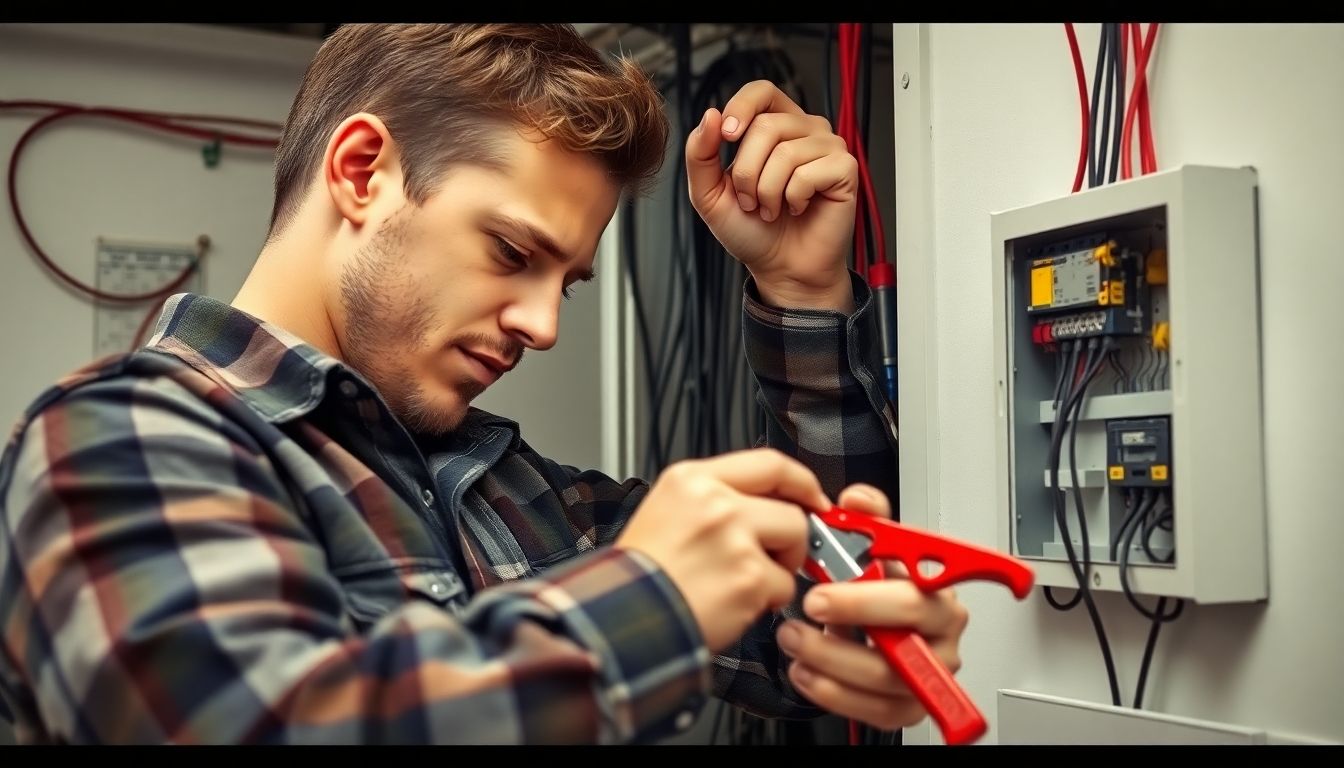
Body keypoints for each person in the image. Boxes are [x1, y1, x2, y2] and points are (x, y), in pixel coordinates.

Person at [0, 23, 968, 744]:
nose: (543, 326)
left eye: (565, 283)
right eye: (512, 251)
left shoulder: (527, 495)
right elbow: (251, 721)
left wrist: (801, 290)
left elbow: (819, 598)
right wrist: (650, 602)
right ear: (363, 170)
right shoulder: (116, 439)